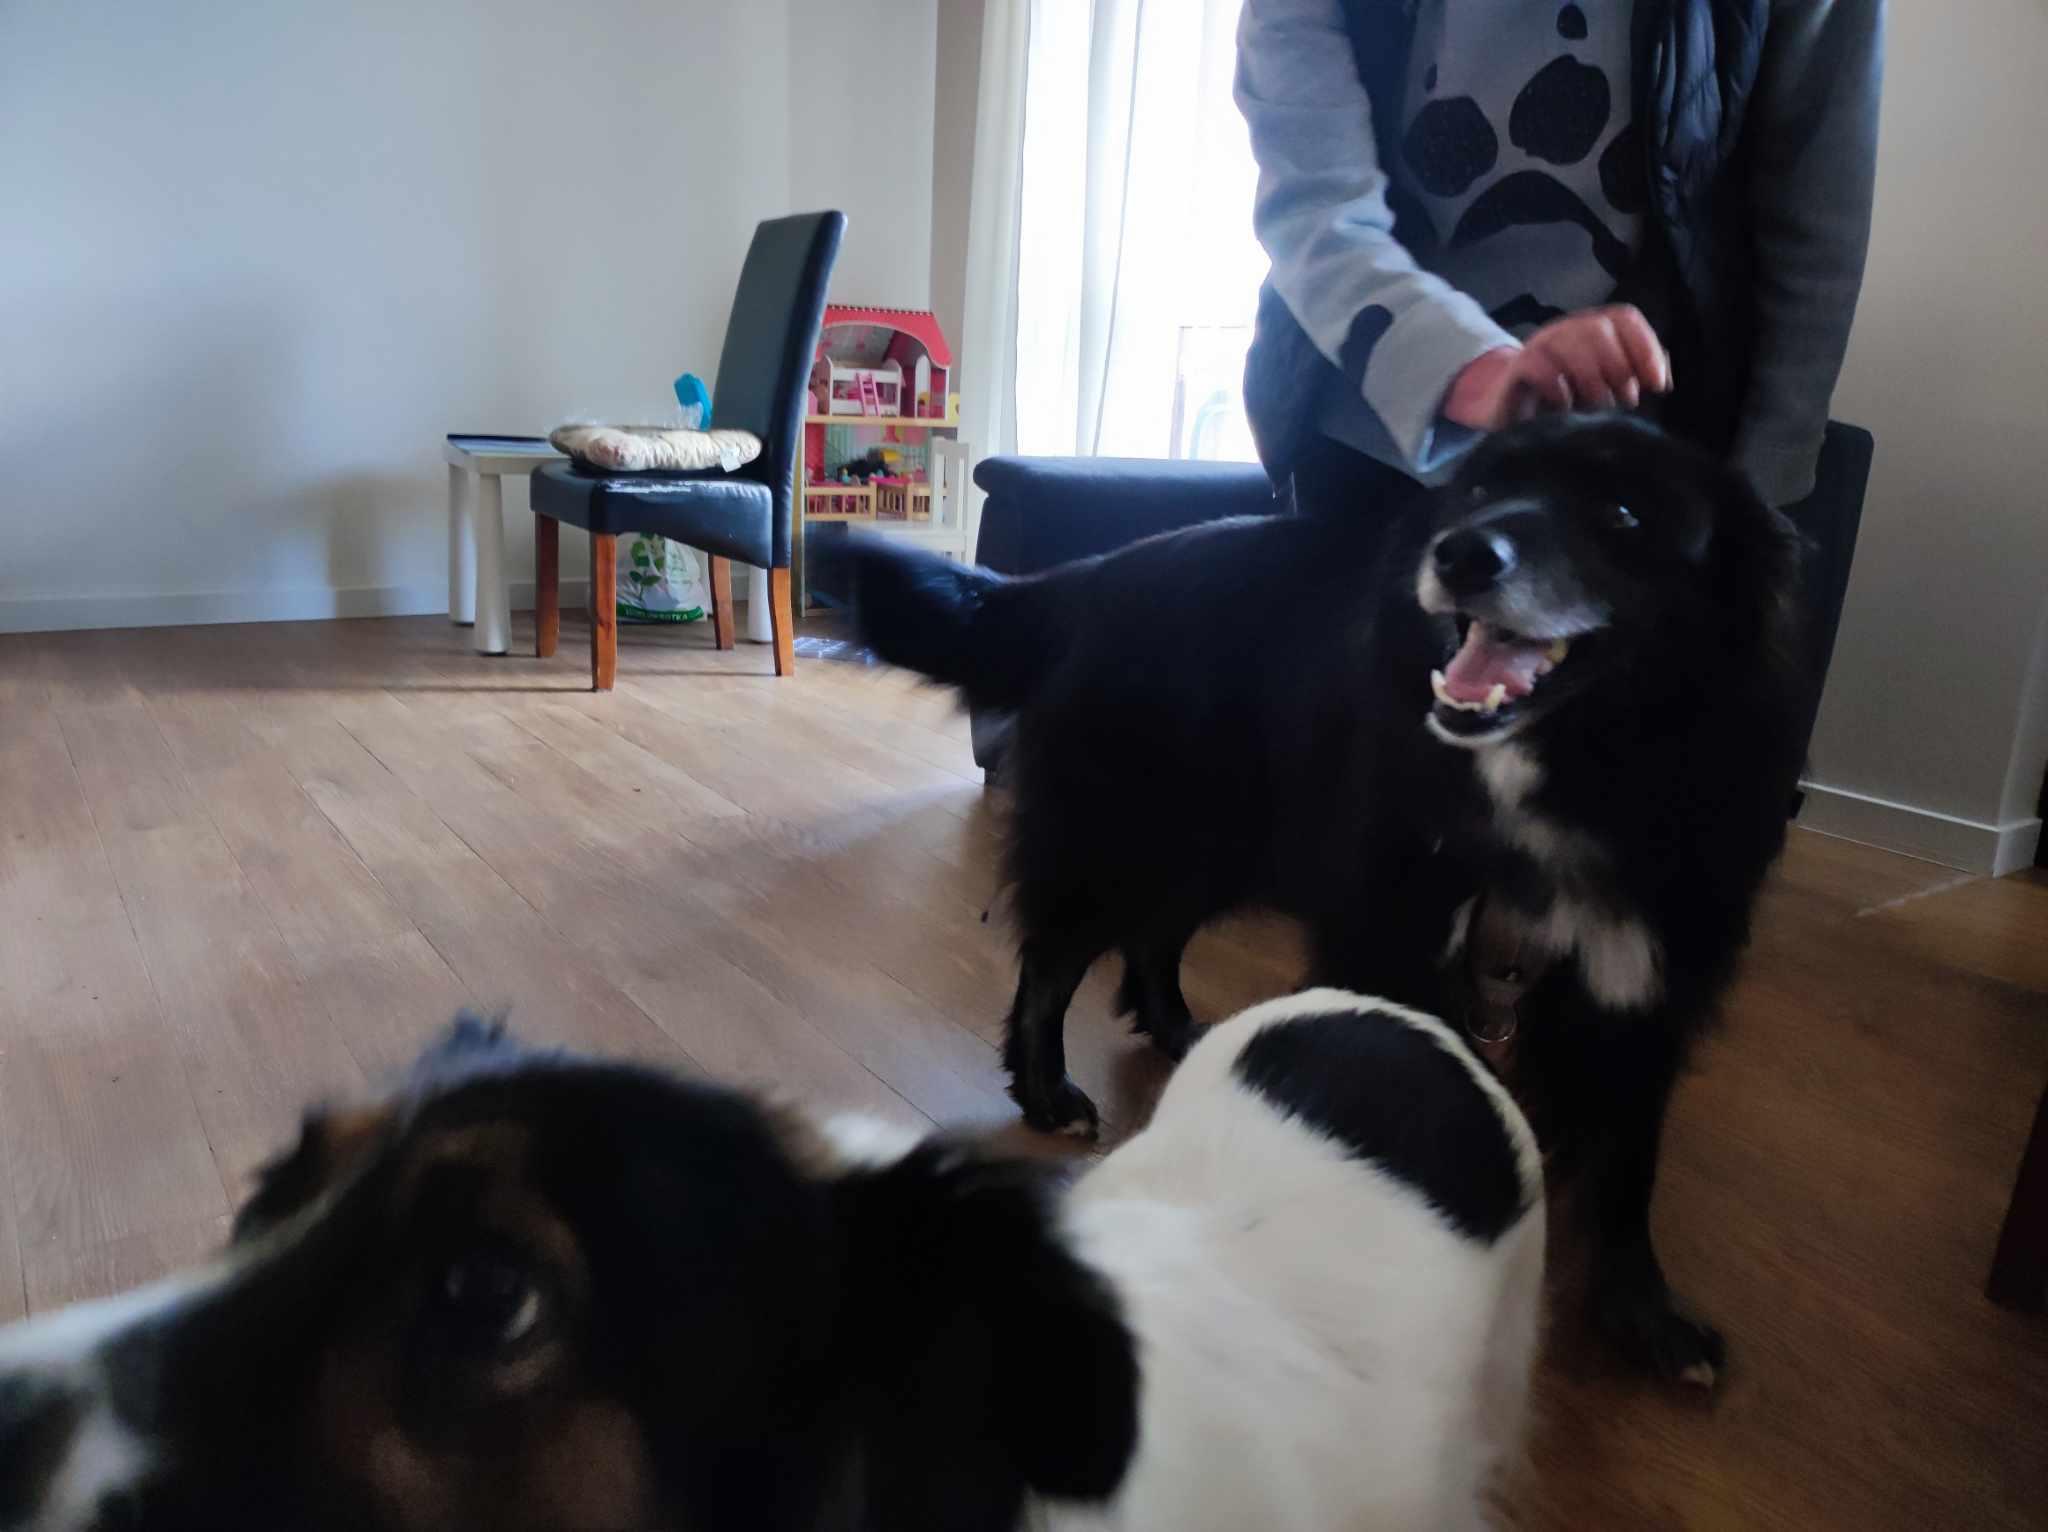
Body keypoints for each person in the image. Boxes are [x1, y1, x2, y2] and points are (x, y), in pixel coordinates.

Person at [1234, 0, 1884, 525]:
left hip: (1649, 476)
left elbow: (1816, 226)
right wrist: (1478, 373)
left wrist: (1760, 497)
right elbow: (1318, 209)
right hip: (1369, 449)